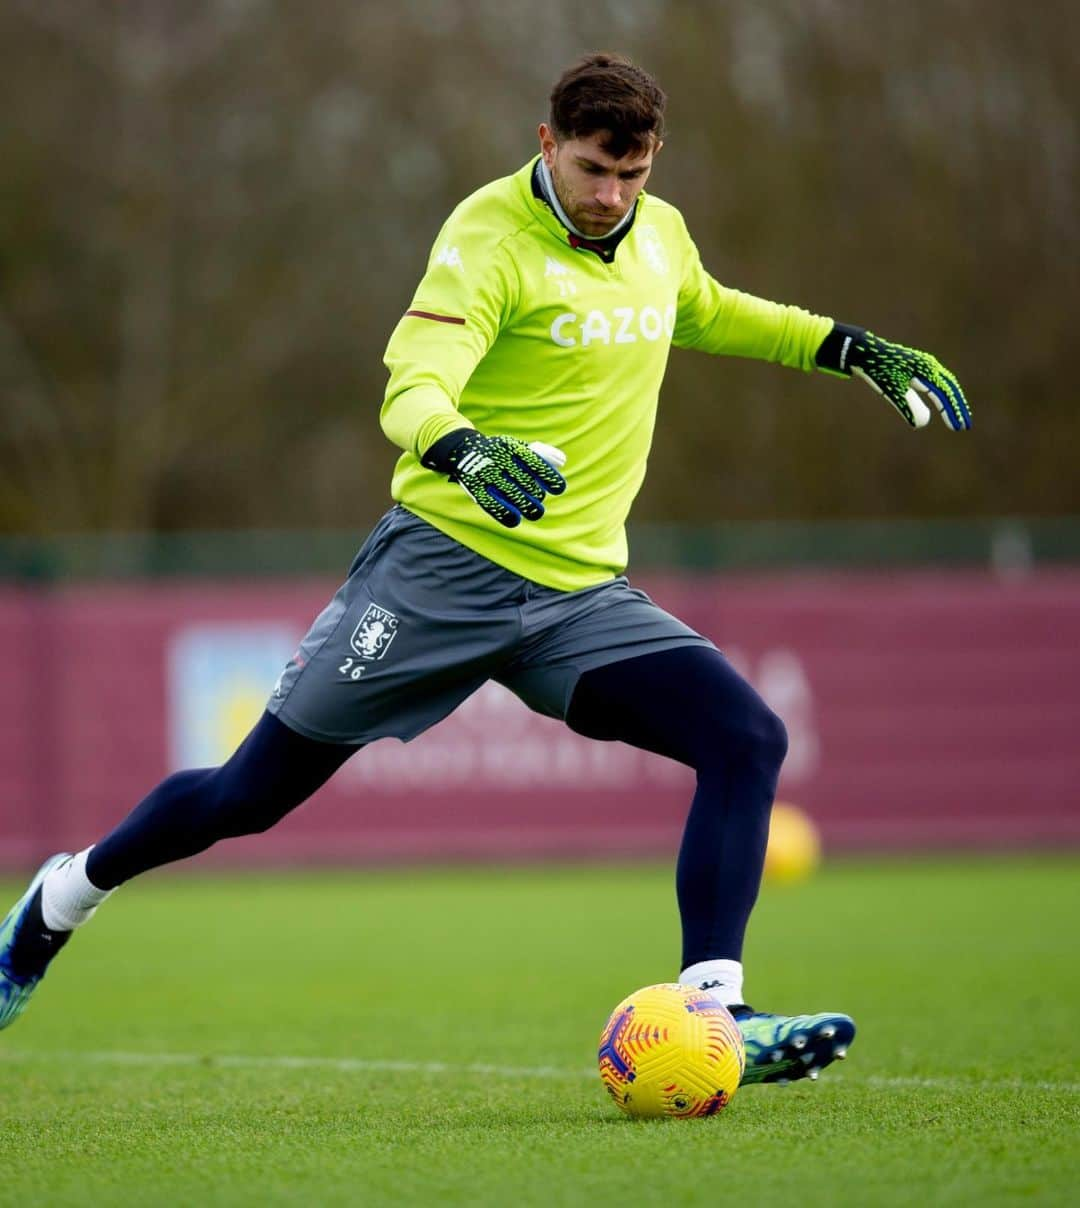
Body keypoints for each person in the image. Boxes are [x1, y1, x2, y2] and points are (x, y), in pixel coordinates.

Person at [0, 53, 970, 1085]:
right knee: (250, 792)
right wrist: (461, 445)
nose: (612, 197)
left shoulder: (660, 234)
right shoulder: (486, 235)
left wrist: (847, 345)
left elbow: (713, 308)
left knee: (746, 736)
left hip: (575, 596)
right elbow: (410, 386)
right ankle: (62, 897)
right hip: (439, 573)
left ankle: (716, 1010)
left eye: (633, 175)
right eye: (595, 169)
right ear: (547, 143)